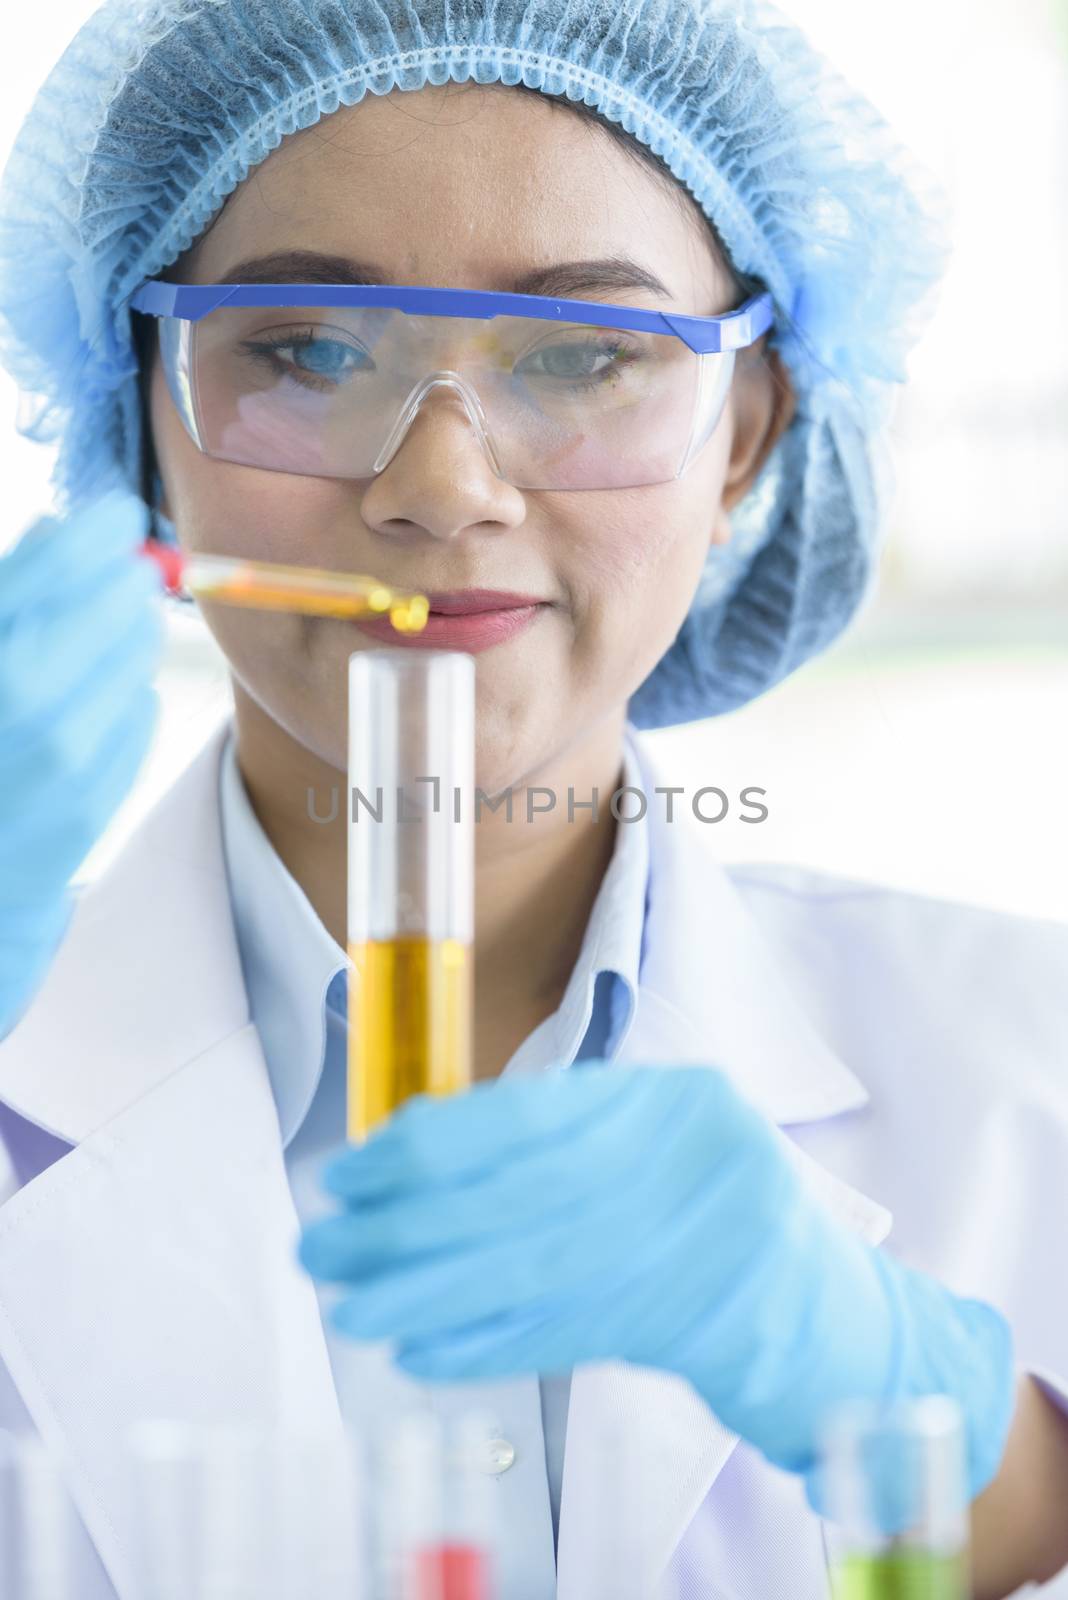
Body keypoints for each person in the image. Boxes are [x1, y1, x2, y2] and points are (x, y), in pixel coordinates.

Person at [1, 2, 1067, 1597]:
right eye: (303, 348)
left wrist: (972, 1450)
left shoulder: (1027, 1063)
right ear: (148, 426)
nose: (443, 485)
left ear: (744, 442)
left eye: (586, 357)